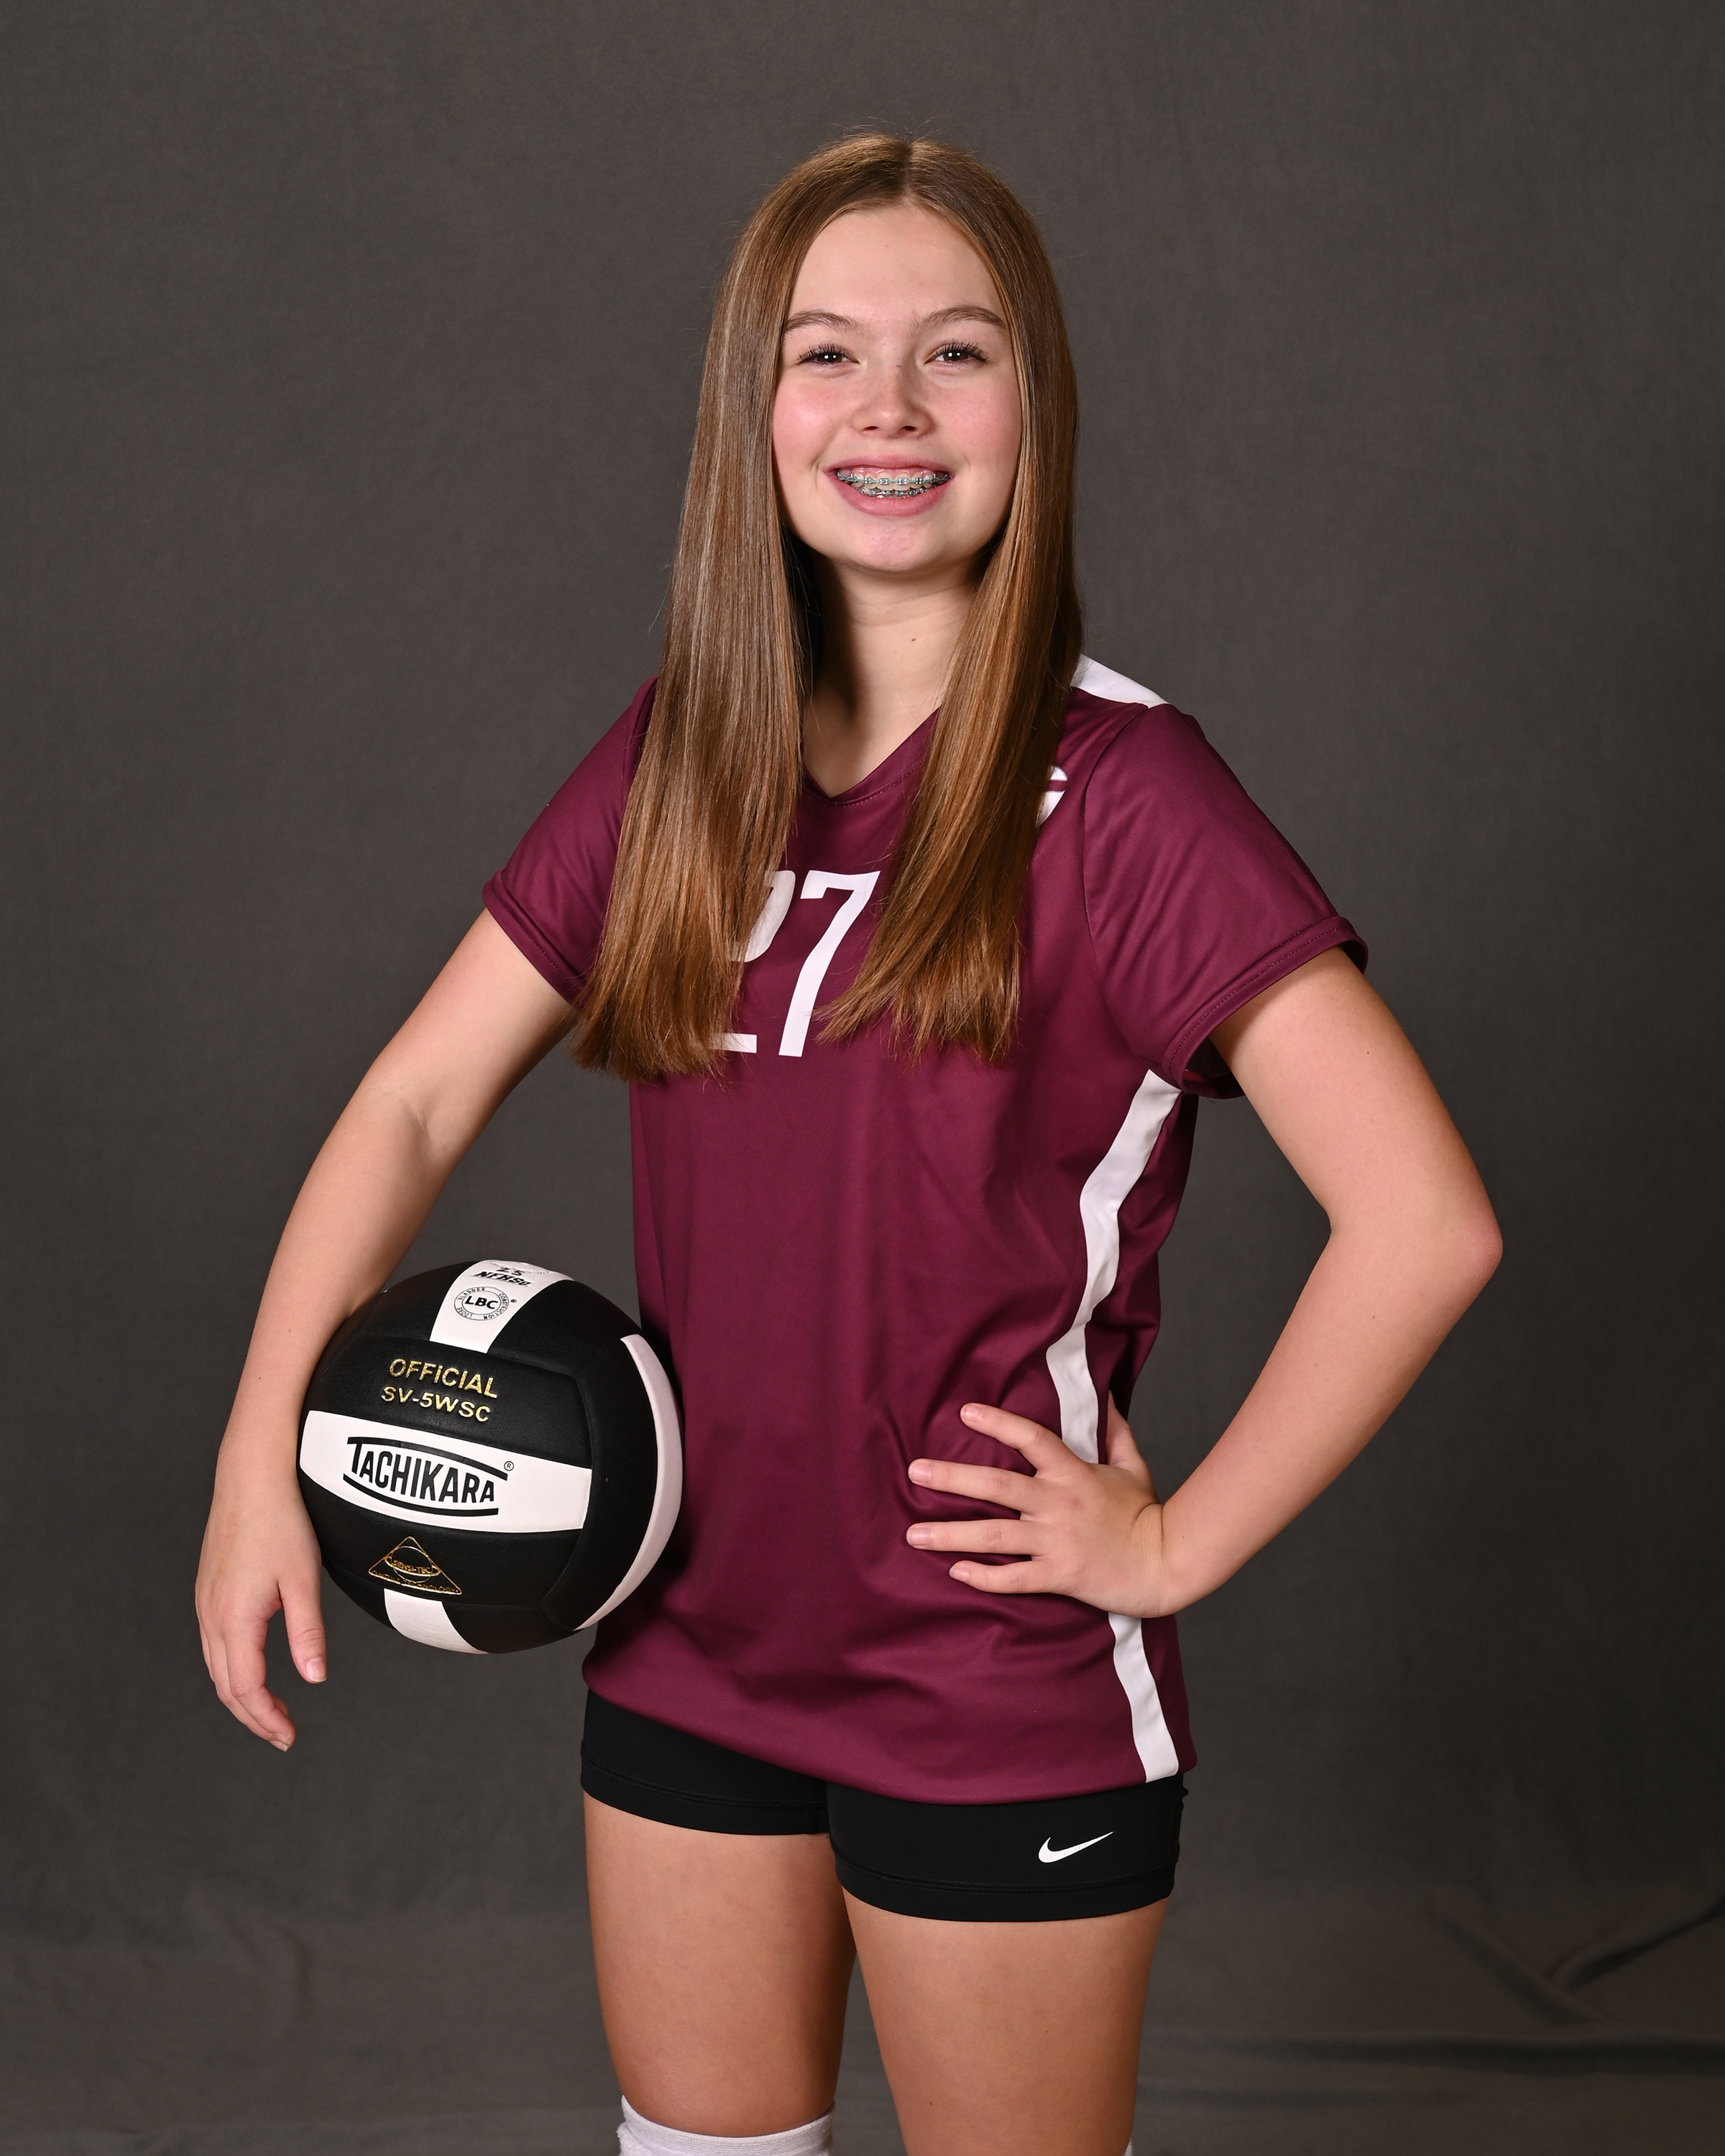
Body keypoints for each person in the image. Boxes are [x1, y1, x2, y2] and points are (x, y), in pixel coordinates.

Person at [196, 134, 1501, 2156]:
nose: (889, 406)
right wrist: (254, 1454)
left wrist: (1173, 1546)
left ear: (1032, 408)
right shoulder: (681, 763)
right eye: (827, 353)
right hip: (681, 1634)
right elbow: (415, 1098)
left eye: (955, 352)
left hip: (990, 1675)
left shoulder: (1127, 794)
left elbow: (1423, 1221)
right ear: (759, 412)